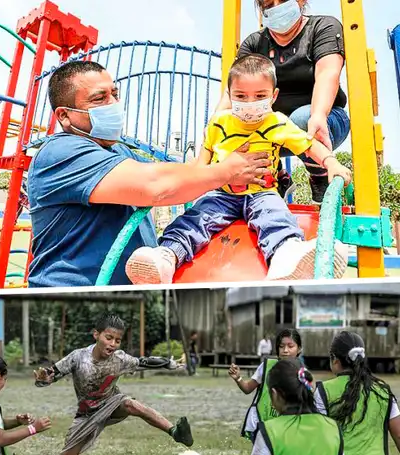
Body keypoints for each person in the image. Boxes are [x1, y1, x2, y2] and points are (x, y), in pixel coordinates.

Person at [26, 60, 273, 287]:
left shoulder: (118, 151)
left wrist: (222, 123)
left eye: (115, 94)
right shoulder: (59, 152)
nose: (113, 104)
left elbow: (192, 174)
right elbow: (155, 186)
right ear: (65, 115)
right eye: (99, 99)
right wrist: (227, 170)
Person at [125, 54, 350, 284]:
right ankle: (166, 255)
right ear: (229, 95)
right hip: (222, 194)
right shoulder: (218, 124)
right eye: (241, 96)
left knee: (274, 215)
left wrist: (330, 162)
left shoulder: (276, 122)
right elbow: (202, 164)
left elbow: (309, 144)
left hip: (262, 192)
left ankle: (286, 254)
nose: (250, 103)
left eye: (260, 96)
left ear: (273, 96)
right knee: (197, 218)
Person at [11, 315, 192, 455]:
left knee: (131, 404)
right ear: (96, 335)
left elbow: (144, 362)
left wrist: (171, 364)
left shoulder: (120, 359)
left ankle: (174, 432)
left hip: (112, 403)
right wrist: (42, 379)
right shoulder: (78, 358)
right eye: (109, 338)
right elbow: (50, 376)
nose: (113, 344)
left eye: (117, 340)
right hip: (86, 415)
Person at [218, 0, 351, 200]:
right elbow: (233, 91)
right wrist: (216, 123)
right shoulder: (254, 43)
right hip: (273, 129)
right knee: (238, 121)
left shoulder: (323, 27)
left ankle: (320, 175)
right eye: (268, 4)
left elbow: (327, 74)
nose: (276, 7)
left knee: (301, 119)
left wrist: (318, 114)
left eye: (283, 1)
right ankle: (275, 176)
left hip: (323, 121)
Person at [231, 328, 306, 441]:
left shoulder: (303, 374)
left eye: (290, 346)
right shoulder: (266, 367)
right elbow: (247, 389)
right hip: (261, 423)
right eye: (281, 346)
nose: (285, 350)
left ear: (299, 348)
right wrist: (238, 378)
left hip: (288, 425)